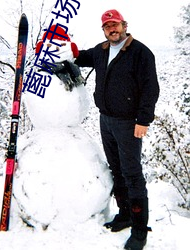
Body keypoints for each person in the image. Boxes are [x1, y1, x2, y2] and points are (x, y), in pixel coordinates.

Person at [75, 9, 159, 250]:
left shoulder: (140, 52)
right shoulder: (101, 51)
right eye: (107, 26)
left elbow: (150, 88)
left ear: (124, 24)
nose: (112, 29)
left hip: (129, 123)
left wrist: (143, 120)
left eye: (115, 24)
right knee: (117, 169)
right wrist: (67, 50)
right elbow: (81, 57)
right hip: (106, 120)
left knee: (132, 173)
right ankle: (125, 214)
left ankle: (140, 231)